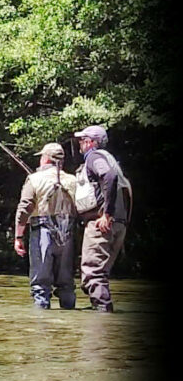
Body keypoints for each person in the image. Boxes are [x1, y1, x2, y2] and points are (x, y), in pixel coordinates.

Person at [74, 125, 132, 313]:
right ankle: (103, 314)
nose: (80, 144)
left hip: (103, 223)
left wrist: (106, 214)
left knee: (93, 275)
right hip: (118, 224)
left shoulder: (94, 157)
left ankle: (102, 321)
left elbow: (109, 176)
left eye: (82, 140)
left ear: (91, 142)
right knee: (98, 276)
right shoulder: (110, 159)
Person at [14, 142, 77, 309]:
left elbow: (24, 208)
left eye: (42, 156)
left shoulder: (34, 179)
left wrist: (18, 236)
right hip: (68, 232)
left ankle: (42, 323)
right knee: (66, 283)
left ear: (46, 159)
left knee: (40, 283)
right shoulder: (73, 180)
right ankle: (70, 315)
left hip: (42, 230)